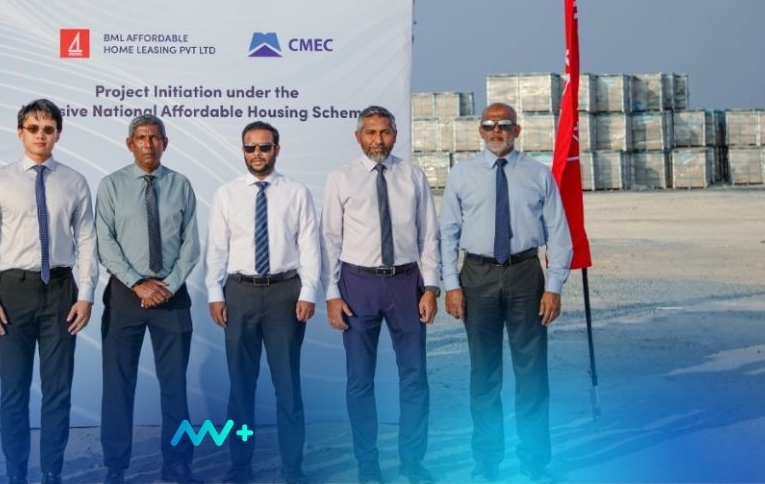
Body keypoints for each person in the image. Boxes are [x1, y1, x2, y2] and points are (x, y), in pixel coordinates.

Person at [439, 102, 572, 483]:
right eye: (489, 125)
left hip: (525, 275)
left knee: (532, 374)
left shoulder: (538, 174)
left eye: (504, 125)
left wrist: (554, 287)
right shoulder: (462, 174)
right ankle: (487, 461)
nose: (496, 131)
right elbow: (447, 233)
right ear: (480, 131)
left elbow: (559, 234)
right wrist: (452, 285)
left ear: (517, 130)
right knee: (484, 374)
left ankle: (534, 461)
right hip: (477, 276)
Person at [0, 99, 97, 484]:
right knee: (14, 390)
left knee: (58, 389)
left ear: (58, 134)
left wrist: (86, 294)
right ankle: (16, 474)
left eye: (48, 129)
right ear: (20, 132)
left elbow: (87, 240)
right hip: (13, 291)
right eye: (33, 128)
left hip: (61, 289)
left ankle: (51, 472)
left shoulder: (74, 181)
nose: (40, 135)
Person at [322, 105, 441, 484]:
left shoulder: (413, 176)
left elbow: (429, 235)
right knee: (360, 380)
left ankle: (412, 462)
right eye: (371, 132)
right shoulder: (340, 178)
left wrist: (431, 287)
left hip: (406, 284)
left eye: (385, 132)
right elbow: (330, 239)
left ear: (395, 135)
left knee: (415, 376)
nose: (378, 140)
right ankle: (368, 464)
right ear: (358, 136)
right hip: (358, 285)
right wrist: (331, 293)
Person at [205, 121, 321, 484]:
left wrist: (308, 292)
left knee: (288, 388)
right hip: (239, 294)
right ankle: (240, 466)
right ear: (243, 151)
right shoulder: (227, 194)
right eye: (250, 148)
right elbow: (217, 248)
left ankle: (293, 469)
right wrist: (215, 293)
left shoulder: (297, 193)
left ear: (276, 149)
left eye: (264, 147)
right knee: (241, 389)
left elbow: (310, 247)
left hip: (285, 293)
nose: (257, 154)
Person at [95, 114, 202, 484]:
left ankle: (178, 463)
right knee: (118, 384)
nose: (148, 144)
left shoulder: (180, 184)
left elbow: (191, 244)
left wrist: (168, 285)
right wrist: (138, 283)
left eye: (155, 138)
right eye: (141, 138)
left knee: (174, 386)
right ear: (130, 144)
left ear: (165, 143)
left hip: (172, 296)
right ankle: (115, 466)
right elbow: (105, 243)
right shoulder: (111, 185)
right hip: (125, 295)